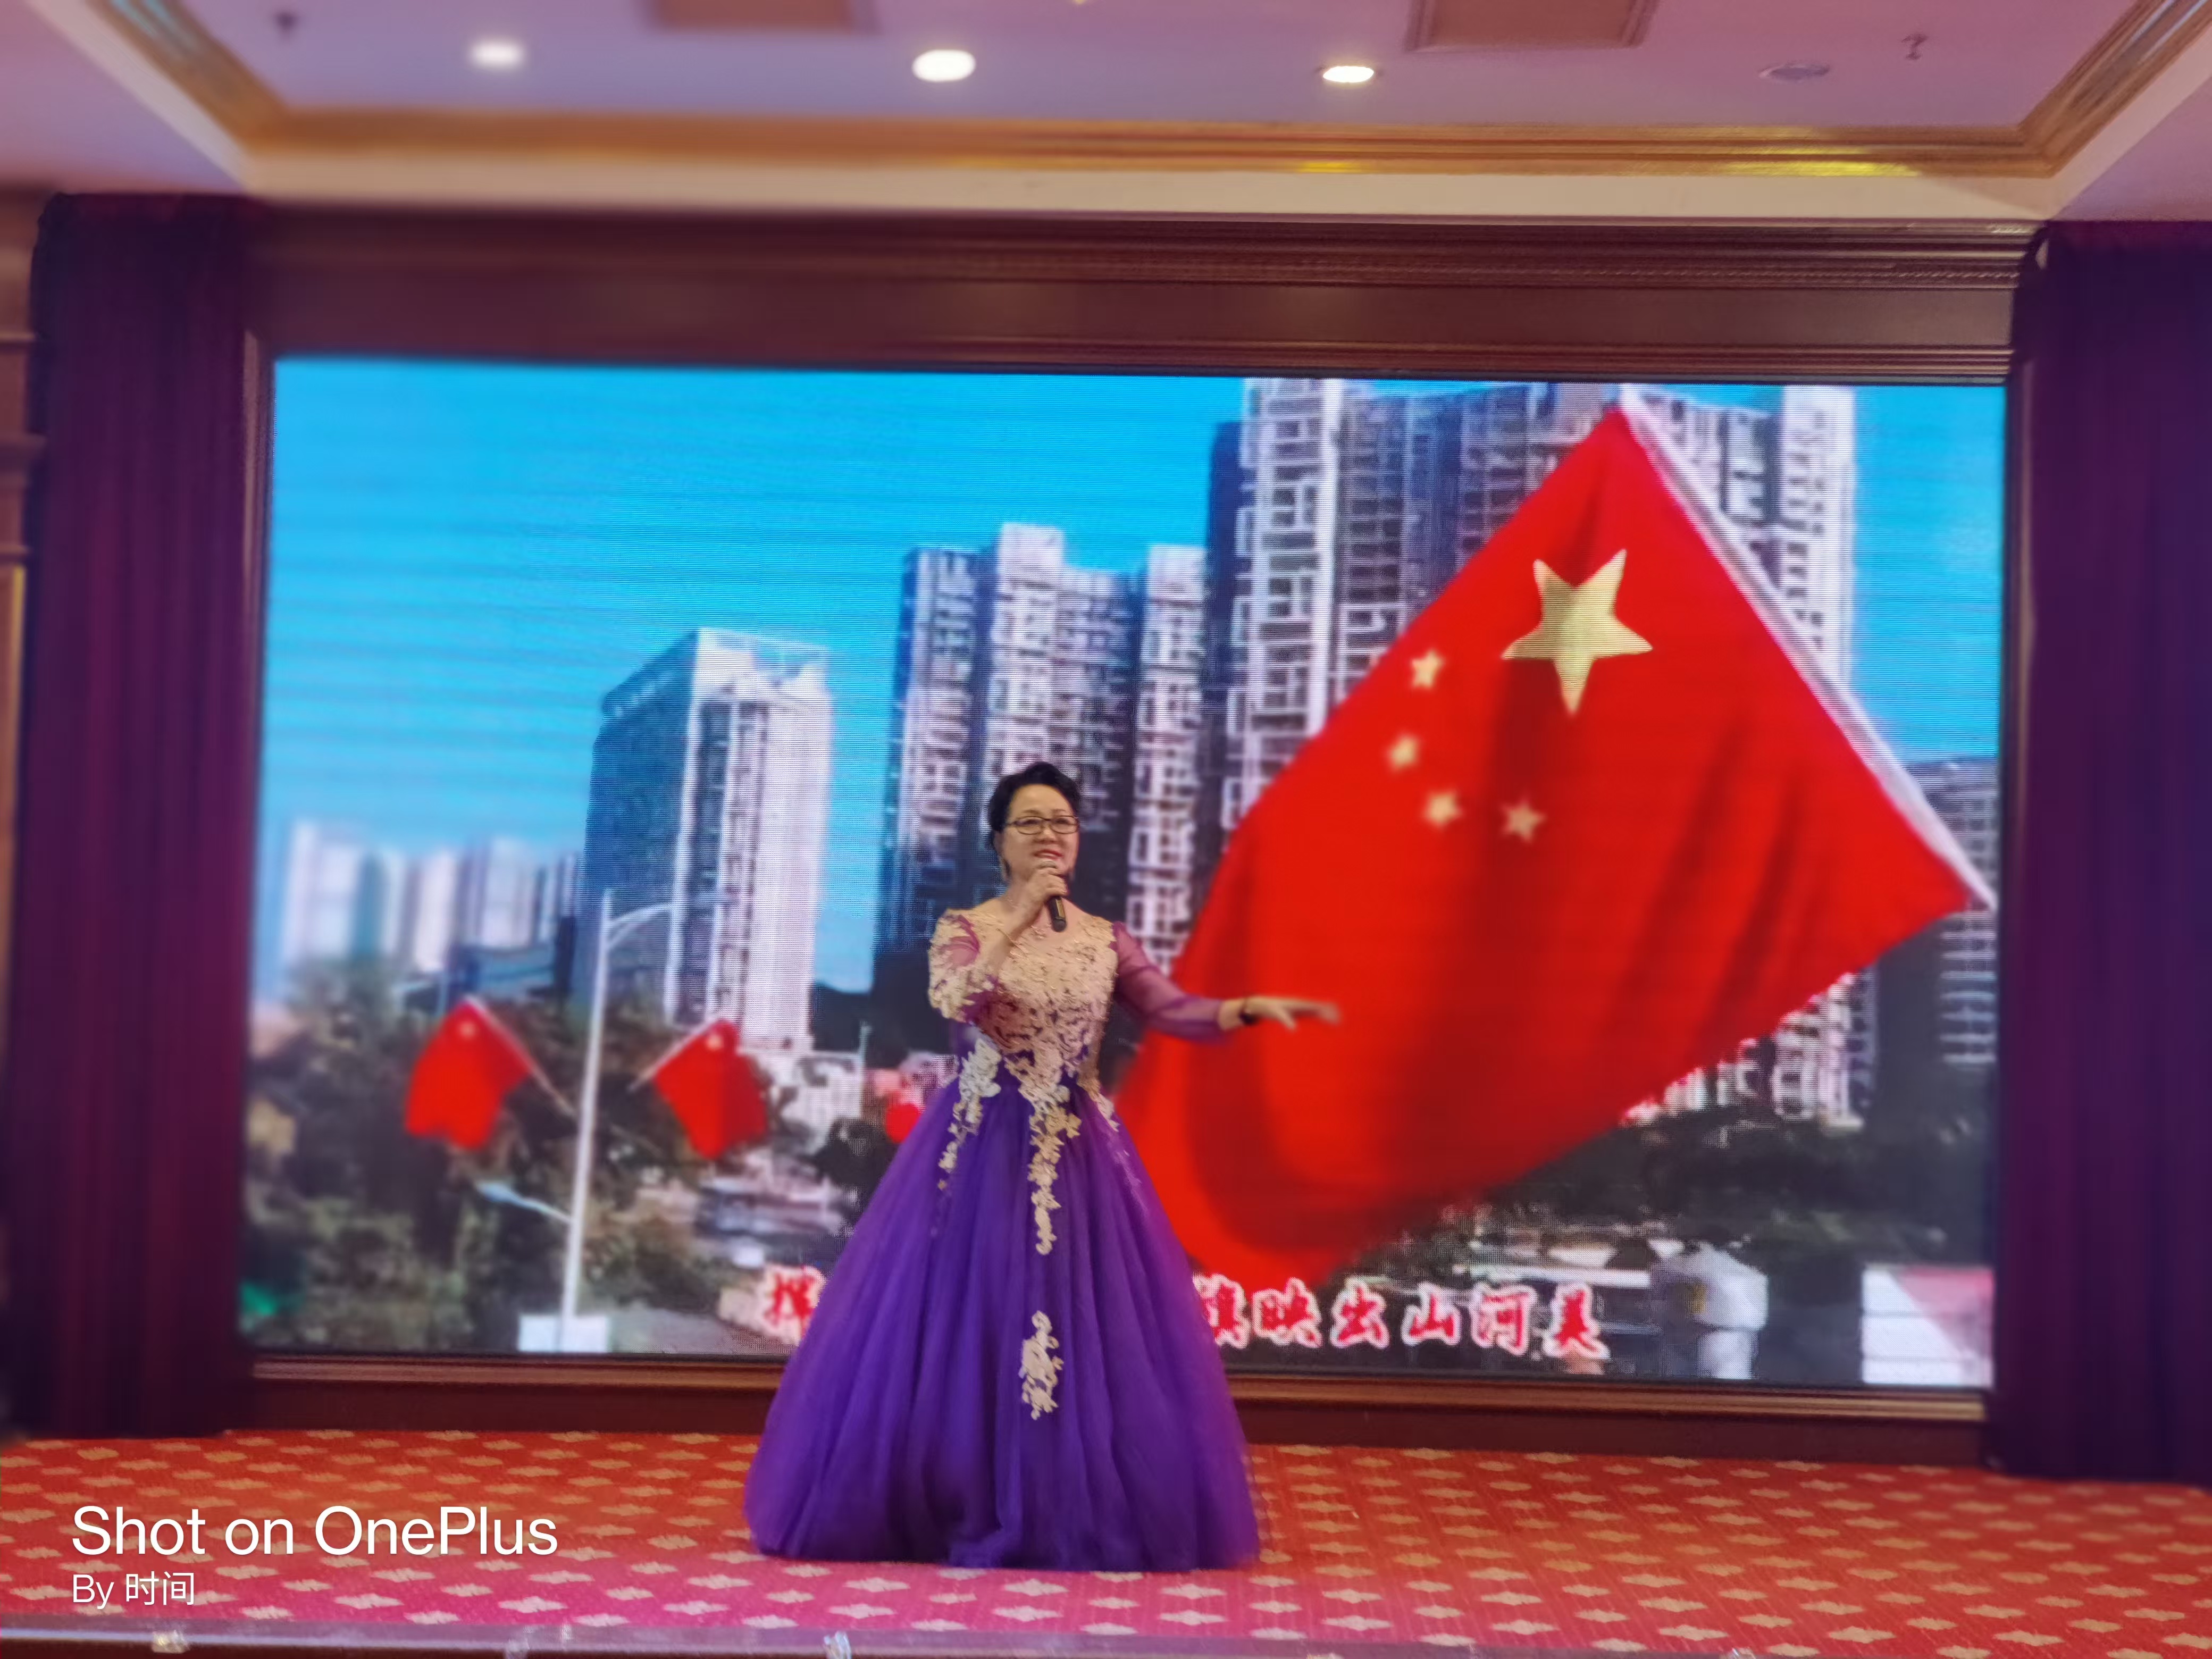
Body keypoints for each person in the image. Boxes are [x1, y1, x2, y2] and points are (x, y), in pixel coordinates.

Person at [744, 762, 1335, 1570]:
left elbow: (1170, 1008)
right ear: (1000, 842)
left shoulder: (1105, 939)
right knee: (971, 1318)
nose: (1050, 835)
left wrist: (1245, 1010)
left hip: (1079, 1155)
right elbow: (956, 999)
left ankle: (1070, 1502)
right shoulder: (965, 926)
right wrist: (1019, 914)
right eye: (1030, 823)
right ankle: (953, 1495)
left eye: (1062, 822)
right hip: (980, 1153)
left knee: (1086, 1322)